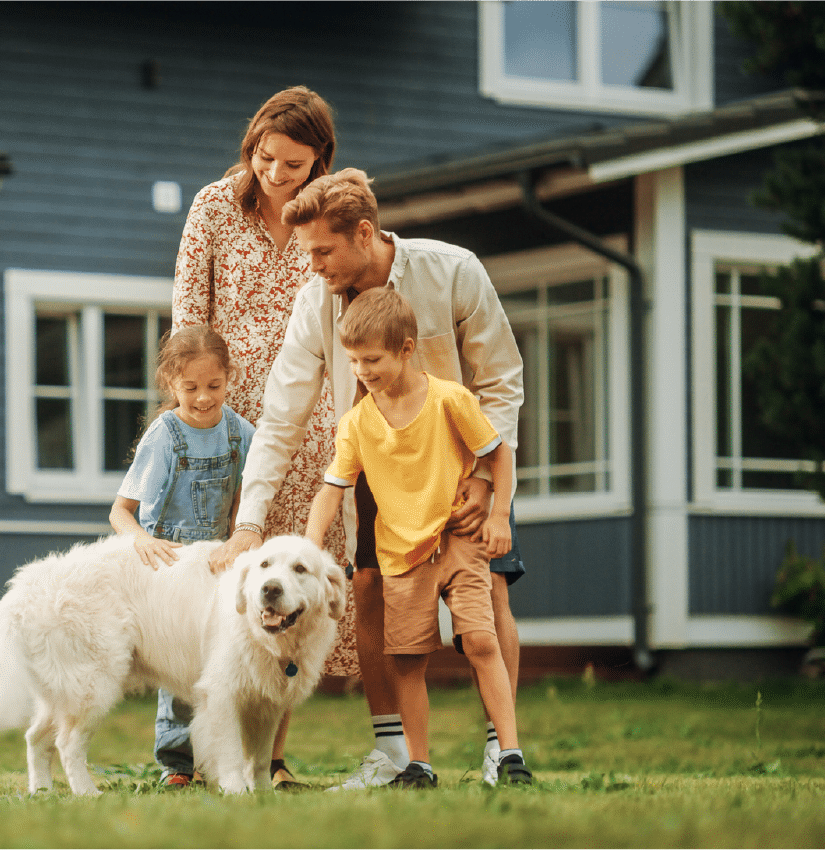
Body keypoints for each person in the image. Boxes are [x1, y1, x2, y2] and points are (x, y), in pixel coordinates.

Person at [210, 167, 526, 789]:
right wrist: (251, 523)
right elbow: (282, 417)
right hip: (375, 475)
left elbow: (500, 381)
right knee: (370, 593)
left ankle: (502, 751)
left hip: (464, 468)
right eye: (306, 253)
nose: (314, 265)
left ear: (364, 232)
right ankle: (395, 754)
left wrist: (487, 483)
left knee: (487, 600)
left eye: (324, 251)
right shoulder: (315, 300)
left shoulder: (454, 270)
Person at [172, 84, 338, 790]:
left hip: (304, 428)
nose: (275, 173)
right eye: (265, 157)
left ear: (319, 162)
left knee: (286, 592)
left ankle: (268, 760)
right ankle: (183, 756)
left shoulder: (331, 217)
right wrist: (188, 410)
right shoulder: (214, 206)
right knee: (205, 585)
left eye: (293, 164)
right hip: (221, 421)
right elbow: (188, 314)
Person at [304, 287, 530, 788]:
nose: (362, 370)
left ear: (406, 349)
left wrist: (499, 516)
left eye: (373, 359)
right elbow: (331, 487)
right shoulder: (357, 423)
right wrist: (310, 543)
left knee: (479, 639)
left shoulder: (450, 398)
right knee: (406, 660)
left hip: (457, 541)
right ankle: (419, 764)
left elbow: (499, 453)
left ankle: (510, 755)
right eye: (354, 360)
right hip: (399, 556)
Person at [108, 325, 255, 787]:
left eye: (214, 386)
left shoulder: (242, 434)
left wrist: (237, 543)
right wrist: (141, 540)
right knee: (179, 661)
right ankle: (178, 764)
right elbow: (121, 511)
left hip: (218, 562)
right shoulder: (164, 435)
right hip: (167, 565)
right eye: (190, 388)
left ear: (230, 378)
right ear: (172, 383)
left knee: (219, 660)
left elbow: (244, 502)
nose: (204, 398)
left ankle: (223, 758)